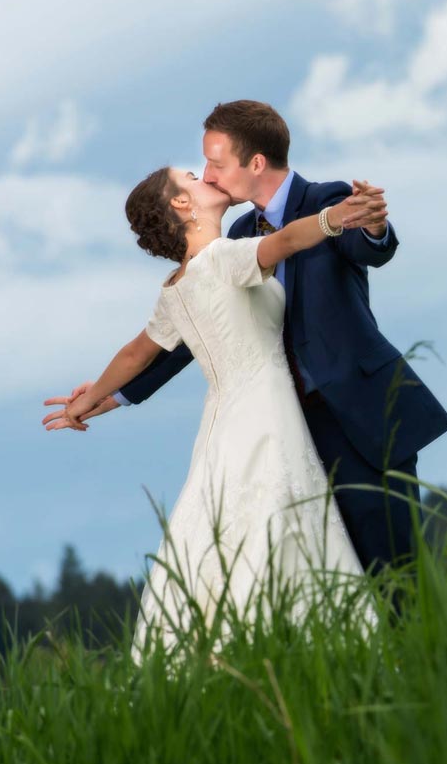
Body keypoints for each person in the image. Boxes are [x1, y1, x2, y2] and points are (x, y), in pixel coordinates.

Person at [47, 101, 447, 598]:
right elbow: (194, 336)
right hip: (286, 427)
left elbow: (368, 247)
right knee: (317, 572)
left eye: (215, 164)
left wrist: (365, 223)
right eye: (202, 171)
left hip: (359, 412)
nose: (211, 176)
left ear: (255, 163)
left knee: (394, 568)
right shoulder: (234, 239)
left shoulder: (327, 198)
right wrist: (119, 394)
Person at [59, 167, 384, 656]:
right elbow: (290, 240)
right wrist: (335, 218)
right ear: (182, 206)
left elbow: (135, 354)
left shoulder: (174, 287)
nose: (202, 175)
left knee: (224, 526)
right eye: (190, 177)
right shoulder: (225, 258)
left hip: (221, 423)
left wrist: (85, 402)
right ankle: (296, 643)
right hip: (265, 413)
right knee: (278, 517)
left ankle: (229, 646)